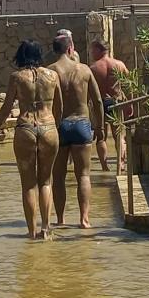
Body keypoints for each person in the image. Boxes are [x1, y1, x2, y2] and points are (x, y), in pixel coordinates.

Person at [0, 40, 60, 239]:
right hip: (49, 127)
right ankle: (46, 229)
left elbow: (5, 109)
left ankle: (31, 233)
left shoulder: (17, 78)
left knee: (28, 184)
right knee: (46, 182)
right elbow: (59, 106)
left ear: (21, 56)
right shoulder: (53, 76)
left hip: (26, 128)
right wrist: (56, 128)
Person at [49, 33, 103, 229]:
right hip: (81, 124)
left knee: (58, 177)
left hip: (59, 126)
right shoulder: (84, 70)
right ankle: (84, 220)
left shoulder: (50, 71)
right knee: (83, 175)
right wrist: (100, 127)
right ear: (70, 48)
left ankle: (60, 219)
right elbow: (97, 101)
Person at [88, 40, 129, 172]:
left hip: (100, 103)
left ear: (99, 50)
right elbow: (129, 84)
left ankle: (105, 167)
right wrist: (130, 103)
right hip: (116, 101)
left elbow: (89, 90)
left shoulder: (93, 68)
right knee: (119, 135)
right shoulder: (119, 65)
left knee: (101, 136)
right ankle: (120, 165)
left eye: (93, 50)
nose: (91, 53)